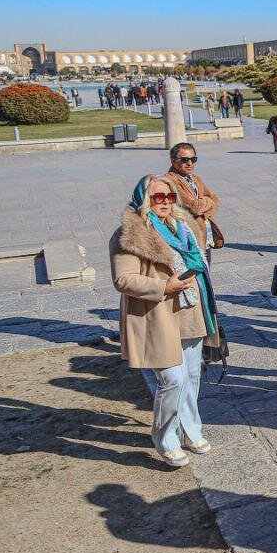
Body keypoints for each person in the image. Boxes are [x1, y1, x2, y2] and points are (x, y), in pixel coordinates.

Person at [110, 175, 219, 467]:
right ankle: (165, 437)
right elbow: (123, 279)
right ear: (145, 200)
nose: (166, 203)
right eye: (159, 197)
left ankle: (189, 430)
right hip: (158, 314)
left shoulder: (185, 227)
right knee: (173, 379)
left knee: (192, 377)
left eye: (170, 197)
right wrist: (163, 287)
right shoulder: (130, 233)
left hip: (192, 309)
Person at [162, 142, 220, 260]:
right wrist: (205, 204)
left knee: (206, 274)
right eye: (184, 160)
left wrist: (202, 207)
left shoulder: (194, 178)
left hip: (205, 237)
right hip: (190, 239)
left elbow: (215, 200)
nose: (190, 163)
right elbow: (195, 207)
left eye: (193, 159)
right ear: (173, 161)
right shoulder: (170, 181)